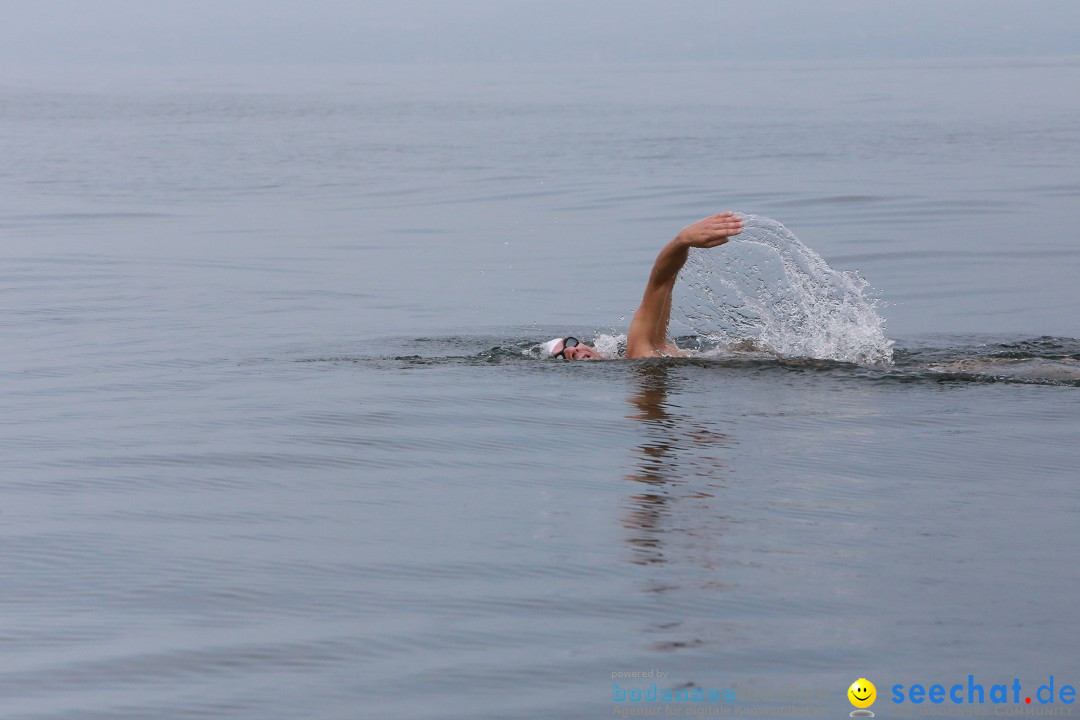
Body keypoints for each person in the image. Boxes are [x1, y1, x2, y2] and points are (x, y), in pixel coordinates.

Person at [545, 212, 745, 361]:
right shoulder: (642, 354)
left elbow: (661, 283)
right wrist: (681, 242)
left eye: (570, 343)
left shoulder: (638, 353)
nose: (572, 350)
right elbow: (662, 283)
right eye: (562, 357)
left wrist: (681, 241)